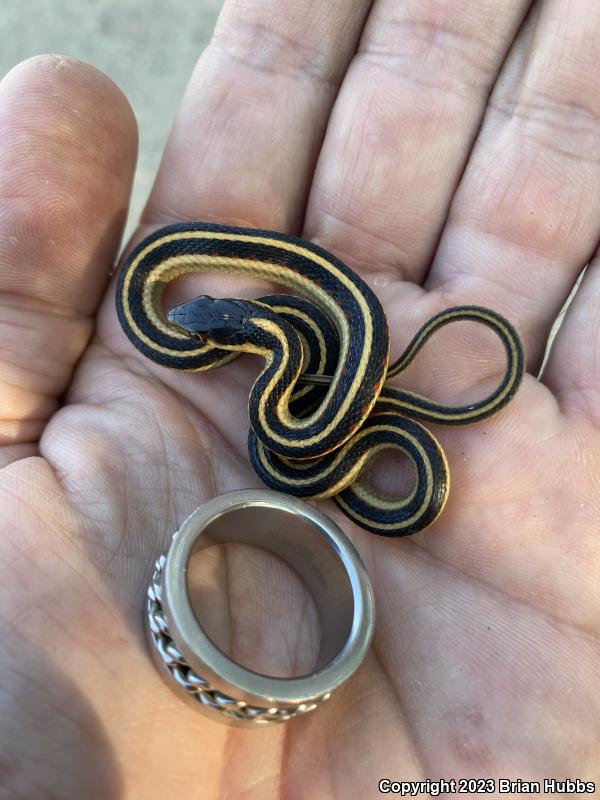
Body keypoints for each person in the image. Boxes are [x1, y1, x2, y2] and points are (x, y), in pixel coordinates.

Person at [1, 1, 599, 796]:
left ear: (237, 339)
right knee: (296, 415)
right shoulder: (279, 346)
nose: (185, 334)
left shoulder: (288, 354)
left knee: (297, 422)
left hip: (315, 362)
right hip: (311, 361)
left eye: (204, 333)